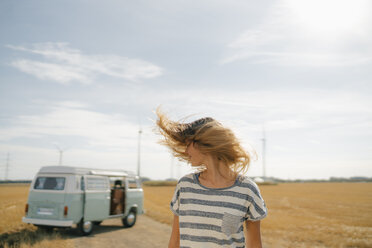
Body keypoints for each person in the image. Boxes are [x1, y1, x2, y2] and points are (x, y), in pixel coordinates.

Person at [155, 108, 268, 248]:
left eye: (188, 144)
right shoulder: (185, 186)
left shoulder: (247, 189)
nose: (185, 151)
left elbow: (255, 244)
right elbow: (175, 240)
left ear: (204, 143)